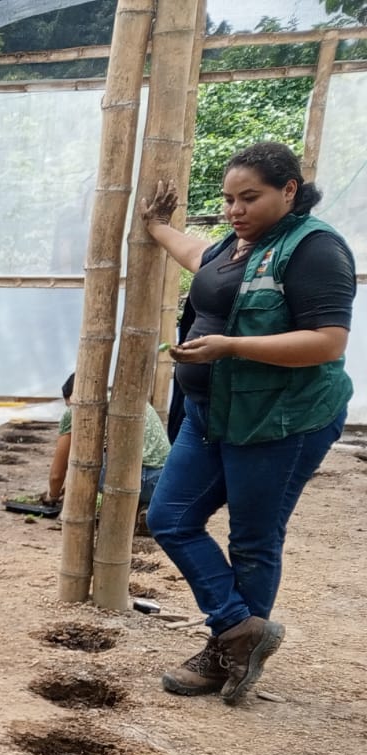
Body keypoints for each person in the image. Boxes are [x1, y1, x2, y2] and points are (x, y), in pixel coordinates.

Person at [138, 141, 355, 704]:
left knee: (253, 540)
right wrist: (158, 228)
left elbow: (327, 342)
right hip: (212, 413)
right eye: (229, 199)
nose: (234, 209)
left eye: (249, 197)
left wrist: (231, 346)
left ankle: (225, 656)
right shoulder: (237, 245)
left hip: (279, 420)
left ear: (289, 190)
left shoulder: (314, 249)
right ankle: (240, 628)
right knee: (169, 517)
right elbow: (198, 257)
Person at [43, 372, 169, 519]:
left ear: (73, 397)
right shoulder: (133, 399)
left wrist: (52, 496)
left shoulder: (78, 408)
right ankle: (145, 509)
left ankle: (75, 513)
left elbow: (57, 474)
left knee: (81, 458)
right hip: (163, 481)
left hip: (129, 480)